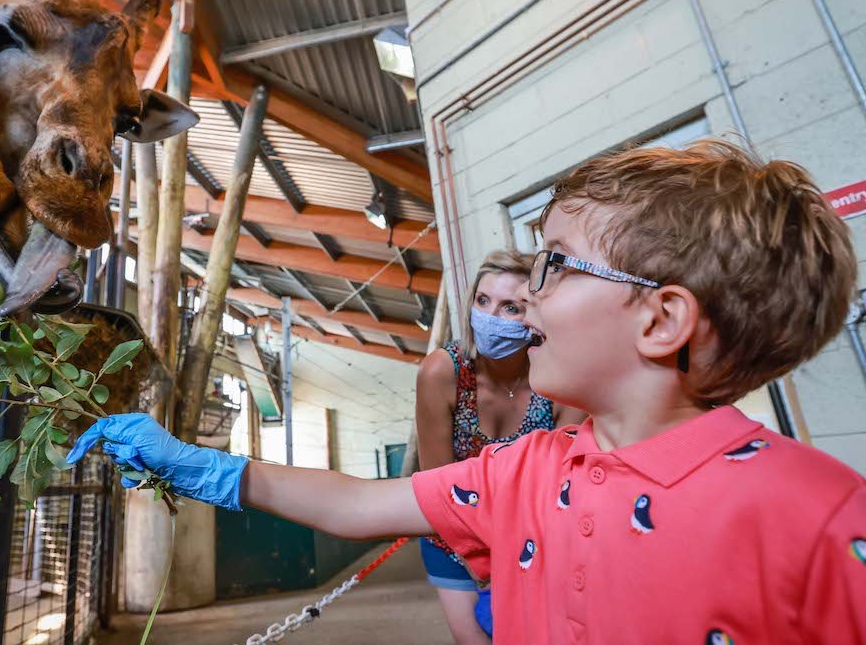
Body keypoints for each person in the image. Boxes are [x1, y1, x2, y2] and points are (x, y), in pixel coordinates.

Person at [68, 140, 865, 644]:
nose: (531, 298)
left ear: (660, 320)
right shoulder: (522, 470)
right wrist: (192, 466)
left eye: (553, 263)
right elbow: (355, 504)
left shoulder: (825, 521)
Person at [416, 250, 586, 643]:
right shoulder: (442, 371)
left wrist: (513, 561)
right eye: (482, 301)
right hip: (452, 535)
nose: (490, 317)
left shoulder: (559, 376)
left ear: (535, 315)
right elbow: (436, 486)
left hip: (536, 532)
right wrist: (480, 565)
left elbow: (562, 484)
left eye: (511, 307)